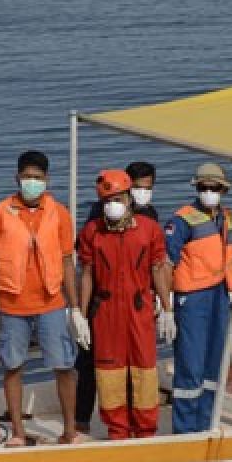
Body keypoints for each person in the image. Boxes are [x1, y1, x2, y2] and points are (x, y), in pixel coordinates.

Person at [0, 150, 90, 446]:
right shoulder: (0, 212)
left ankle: (69, 431)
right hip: (12, 305)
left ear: (47, 180)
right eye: (27, 177)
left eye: (37, 178)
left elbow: (67, 262)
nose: (32, 183)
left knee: (64, 366)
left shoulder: (59, 213)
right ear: (17, 178)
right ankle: (18, 432)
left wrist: (75, 308)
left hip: (52, 302)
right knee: (13, 366)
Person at [76, 169, 173, 439]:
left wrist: (167, 308)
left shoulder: (149, 229)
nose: (112, 205)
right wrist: (81, 316)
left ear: (129, 198)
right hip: (105, 312)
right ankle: (117, 430)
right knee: (110, 374)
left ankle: (145, 431)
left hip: (140, 308)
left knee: (144, 370)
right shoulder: (92, 232)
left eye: (117, 199)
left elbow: (157, 267)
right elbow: (86, 275)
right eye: (107, 201)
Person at [164, 163, 232, 434]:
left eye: (213, 188)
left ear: (223, 190)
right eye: (203, 187)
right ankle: (184, 429)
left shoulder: (230, 220)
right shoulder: (181, 221)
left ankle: (206, 423)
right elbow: (165, 265)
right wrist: (166, 308)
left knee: (215, 364)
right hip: (191, 299)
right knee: (190, 365)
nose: (208, 192)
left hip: (219, 297)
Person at [85, 161, 160, 223]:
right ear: (126, 185)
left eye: (148, 188)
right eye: (137, 187)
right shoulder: (106, 209)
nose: (142, 192)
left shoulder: (150, 213)